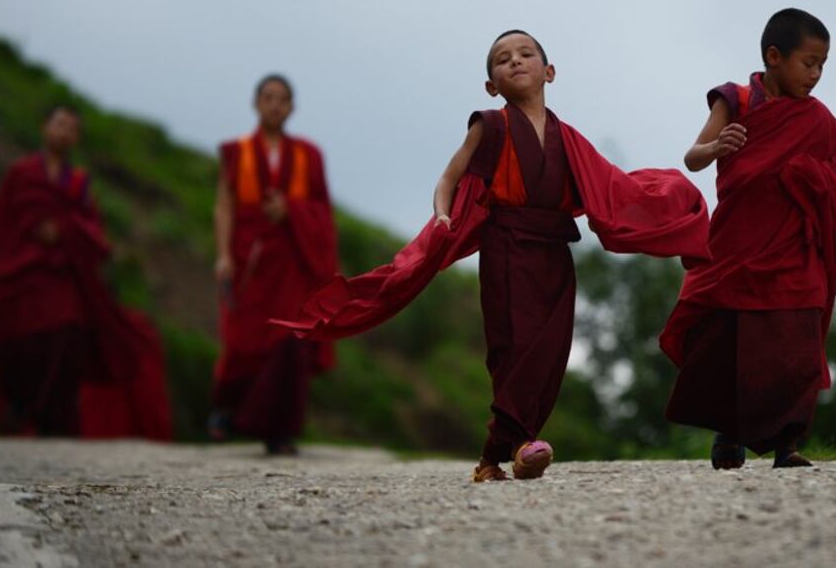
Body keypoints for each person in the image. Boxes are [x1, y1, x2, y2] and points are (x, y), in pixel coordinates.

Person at [273, 30, 711, 481]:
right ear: (491, 85)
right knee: (514, 347)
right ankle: (523, 445)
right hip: (506, 248)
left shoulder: (570, 138)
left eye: (526, 54)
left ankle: (492, 458)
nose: (515, 62)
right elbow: (449, 178)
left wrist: (671, 200)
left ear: (550, 71)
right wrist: (442, 214)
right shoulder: (490, 124)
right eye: (502, 60)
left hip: (554, 252)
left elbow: (614, 186)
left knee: (550, 351)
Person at [659, 8, 836, 469]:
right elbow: (693, 157)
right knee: (730, 342)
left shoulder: (820, 121)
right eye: (808, 62)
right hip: (738, 244)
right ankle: (728, 434)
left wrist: (809, 175)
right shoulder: (738, 99)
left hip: (794, 250)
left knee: (794, 342)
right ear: (774, 56)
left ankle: (788, 443)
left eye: (822, 65)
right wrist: (717, 146)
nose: (816, 75)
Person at [0, 104, 172, 440]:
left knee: (68, 333)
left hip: (63, 273)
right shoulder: (22, 173)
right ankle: (16, 405)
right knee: (19, 338)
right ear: (45, 128)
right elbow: (2, 224)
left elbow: (91, 227)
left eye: (71, 128)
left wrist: (67, 230)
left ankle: (49, 418)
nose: (64, 132)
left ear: (76, 138)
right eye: (59, 124)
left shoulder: (79, 182)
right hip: (24, 267)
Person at [211, 74, 338, 455]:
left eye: (282, 99)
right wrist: (222, 255)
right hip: (251, 259)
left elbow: (321, 210)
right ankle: (226, 411)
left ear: (291, 107)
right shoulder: (237, 151)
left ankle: (279, 431)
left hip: (292, 263)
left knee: (290, 340)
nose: (275, 105)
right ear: (256, 103)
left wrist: (291, 211)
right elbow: (225, 204)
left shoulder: (308, 155)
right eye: (268, 98)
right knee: (243, 339)